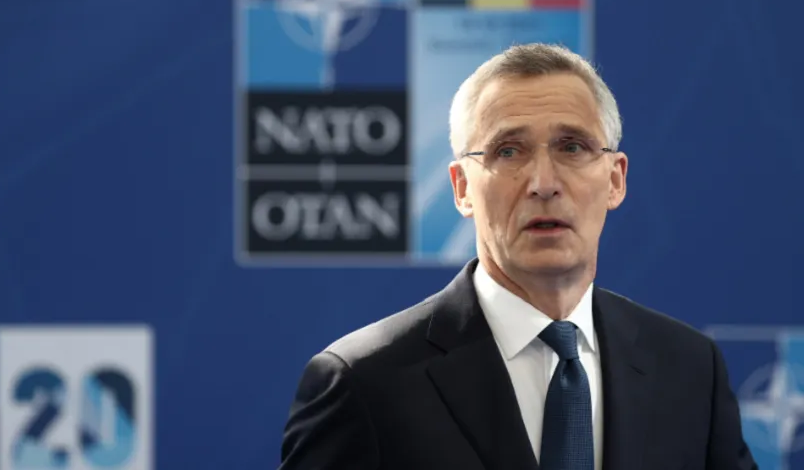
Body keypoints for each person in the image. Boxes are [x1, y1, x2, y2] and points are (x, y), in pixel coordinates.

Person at [278, 43, 756, 470]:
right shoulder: (363, 383)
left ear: (615, 180)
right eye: (508, 152)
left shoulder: (690, 370)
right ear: (462, 188)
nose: (543, 183)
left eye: (573, 147)